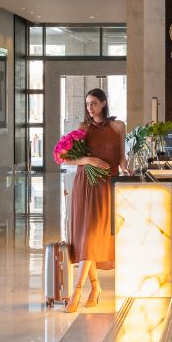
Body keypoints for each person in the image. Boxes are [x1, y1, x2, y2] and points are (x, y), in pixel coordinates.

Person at [60, 88, 127, 312]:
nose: (90, 108)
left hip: (106, 186)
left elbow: (121, 159)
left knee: (92, 236)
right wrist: (88, 160)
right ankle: (88, 288)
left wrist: (128, 170)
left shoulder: (118, 126)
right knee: (85, 237)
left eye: (94, 103)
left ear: (104, 103)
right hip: (84, 185)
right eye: (87, 103)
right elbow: (65, 158)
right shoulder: (83, 128)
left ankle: (82, 290)